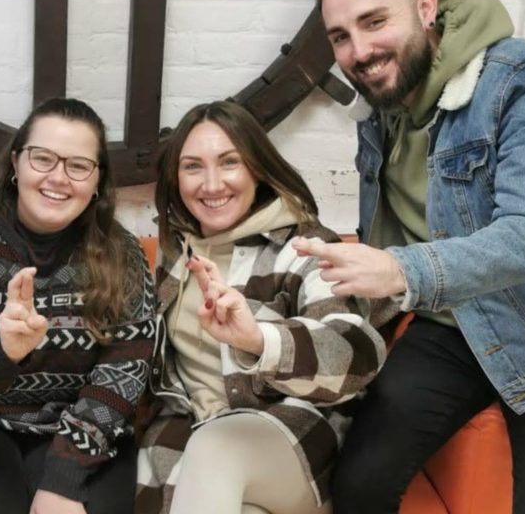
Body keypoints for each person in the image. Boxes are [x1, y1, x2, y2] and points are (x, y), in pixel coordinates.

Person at [298, 0, 525, 512]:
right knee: (356, 485)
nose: (360, 51)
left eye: (375, 22)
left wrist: (400, 269)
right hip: (448, 328)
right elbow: (388, 231)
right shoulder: (382, 107)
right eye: (341, 36)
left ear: (426, 8)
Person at [0, 97, 157, 514]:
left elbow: (124, 374)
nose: (58, 178)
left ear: (97, 182)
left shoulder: (121, 252)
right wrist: (0, 351)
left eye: (78, 165)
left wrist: (64, 478)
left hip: (76, 426)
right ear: (16, 164)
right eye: (43, 159)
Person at [134, 100, 387, 514]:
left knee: (217, 446)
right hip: (183, 444)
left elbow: (355, 352)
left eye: (229, 162)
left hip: (286, 442)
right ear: (175, 178)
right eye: (193, 166)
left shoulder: (304, 248)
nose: (212, 184)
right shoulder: (173, 254)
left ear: (257, 166)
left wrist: (257, 339)